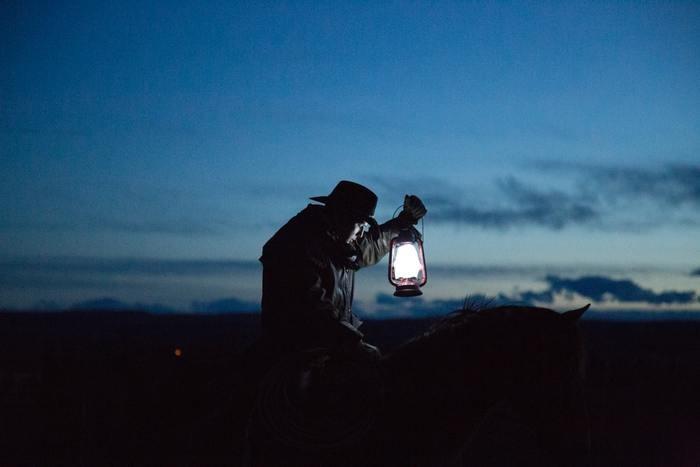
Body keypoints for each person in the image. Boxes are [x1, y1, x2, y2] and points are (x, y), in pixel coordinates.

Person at [258, 180, 426, 362]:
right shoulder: (297, 245)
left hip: (330, 346)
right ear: (342, 217)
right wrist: (355, 346)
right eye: (361, 225)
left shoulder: (336, 241)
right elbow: (312, 310)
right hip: (295, 354)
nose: (362, 233)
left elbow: (369, 246)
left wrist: (401, 223)